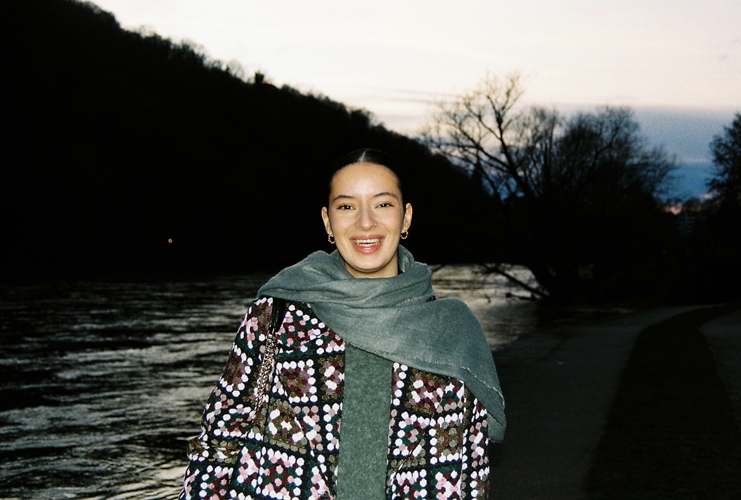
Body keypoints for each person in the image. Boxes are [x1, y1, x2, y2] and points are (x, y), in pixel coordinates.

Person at [179, 149, 505, 499]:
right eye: (347, 206)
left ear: (406, 217)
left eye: (383, 204)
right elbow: (220, 437)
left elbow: (469, 468)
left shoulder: (451, 333)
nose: (365, 223)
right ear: (327, 220)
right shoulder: (276, 314)